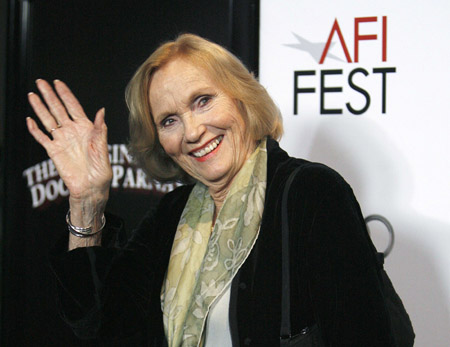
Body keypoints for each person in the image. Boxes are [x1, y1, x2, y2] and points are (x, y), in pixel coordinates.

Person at [26, 34, 395, 346]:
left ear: (241, 97)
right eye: (169, 121)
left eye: (202, 101)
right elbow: (97, 324)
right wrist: (87, 202)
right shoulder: (171, 215)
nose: (191, 131)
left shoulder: (310, 194)